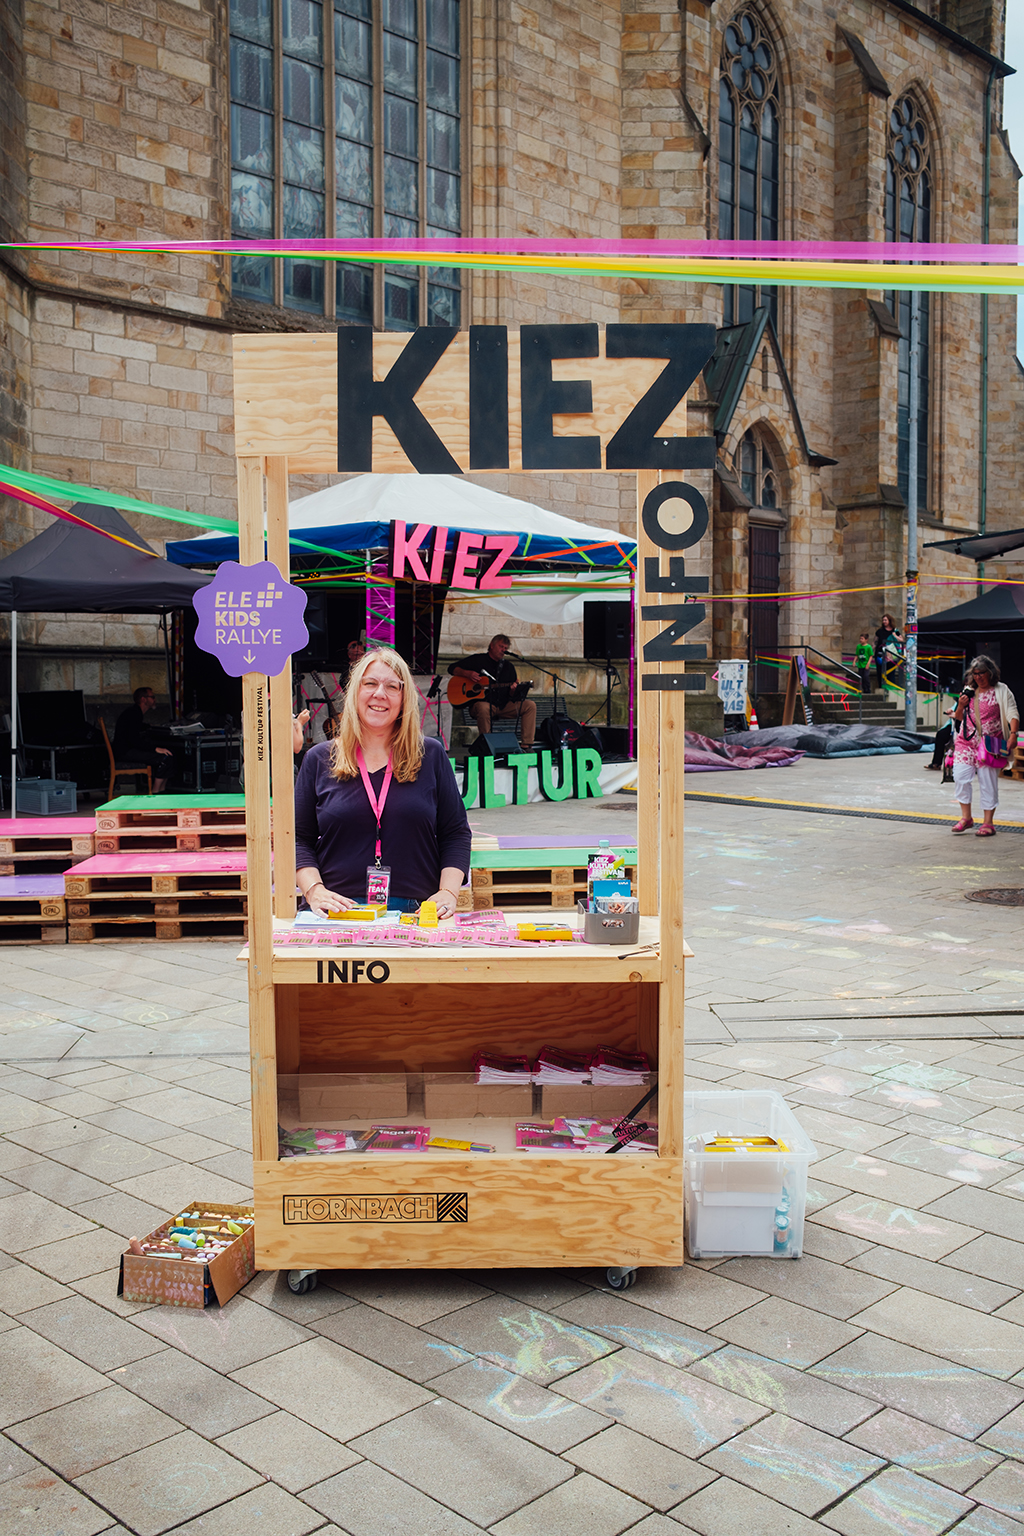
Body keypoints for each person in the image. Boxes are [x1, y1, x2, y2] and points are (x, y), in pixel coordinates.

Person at [295, 647, 471, 917]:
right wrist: (313, 890)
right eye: (370, 683)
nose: (380, 693)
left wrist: (448, 892)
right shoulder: (319, 759)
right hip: (335, 911)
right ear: (355, 692)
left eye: (392, 686)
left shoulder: (431, 755)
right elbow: (297, 838)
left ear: (404, 699)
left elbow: (455, 832)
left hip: (415, 911)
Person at [949, 655, 1019, 836]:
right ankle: (966, 818)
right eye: (975, 674)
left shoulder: (1001, 690)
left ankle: (988, 823)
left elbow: (1012, 713)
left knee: (988, 782)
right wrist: (960, 706)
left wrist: (1013, 734)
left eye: (982, 673)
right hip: (966, 741)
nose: (978, 677)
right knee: (960, 776)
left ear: (990, 673)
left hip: (989, 745)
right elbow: (958, 717)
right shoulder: (969, 690)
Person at [448, 634, 537, 750]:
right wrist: (467, 673)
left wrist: (513, 690)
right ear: (492, 645)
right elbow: (451, 668)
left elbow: (513, 697)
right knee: (484, 707)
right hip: (482, 705)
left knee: (530, 705)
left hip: (503, 706)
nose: (503, 650)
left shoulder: (508, 667)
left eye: (505, 648)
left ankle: (527, 744)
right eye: (501, 646)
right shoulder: (477, 660)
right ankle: (488, 746)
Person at [113, 686, 174, 793]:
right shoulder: (134, 713)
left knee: (168, 756)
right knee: (165, 759)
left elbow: (137, 727)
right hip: (125, 752)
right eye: (152, 697)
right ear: (143, 699)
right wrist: (155, 749)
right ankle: (155, 792)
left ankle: (161, 790)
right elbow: (134, 740)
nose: (154, 699)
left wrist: (150, 726)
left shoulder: (134, 712)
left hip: (126, 750)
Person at [874, 614, 903, 691]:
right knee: (880, 672)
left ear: (889, 621)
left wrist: (895, 635)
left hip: (891, 655)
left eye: (885, 620)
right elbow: (875, 642)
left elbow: (901, 640)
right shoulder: (880, 631)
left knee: (891, 672)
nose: (884, 622)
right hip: (880, 655)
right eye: (883, 620)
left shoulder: (895, 631)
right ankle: (881, 688)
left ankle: (891, 689)